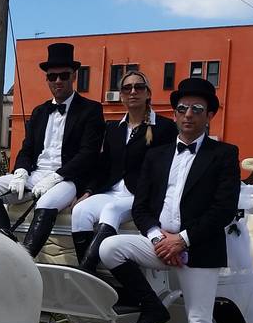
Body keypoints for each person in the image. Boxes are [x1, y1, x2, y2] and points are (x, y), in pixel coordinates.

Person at [99, 77, 240, 323]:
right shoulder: (157, 154)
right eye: (181, 108)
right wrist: (159, 239)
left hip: (200, 250)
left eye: (197, 109)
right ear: (173, 113)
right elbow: (142, 206)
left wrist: (184, 239)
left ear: (210, 114)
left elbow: (222, 210)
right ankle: (152, 308)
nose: (188, 115)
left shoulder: (223, 155)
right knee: (110, 248)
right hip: (160, 243)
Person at [0, 42, 105, 256]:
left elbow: (88, 154)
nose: (58, 81)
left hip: (67, 179)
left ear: (74, 76)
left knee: (46, 202)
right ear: (46, 78)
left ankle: (26, 256)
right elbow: (27, 149)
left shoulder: (91, 110)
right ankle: (8, 244)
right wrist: (20, 172)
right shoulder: (39, 112)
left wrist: (56, 177)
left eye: (63, 76)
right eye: (52, 76)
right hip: (36, 175)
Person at [71, 70, 177, 272]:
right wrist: (88, 192)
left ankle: (84, 271)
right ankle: (92, 273)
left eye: (139, 87)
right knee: (80, 211)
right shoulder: (113, 128)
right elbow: (104, 166)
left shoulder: (165, 128)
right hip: (113, 190)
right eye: (127, 88)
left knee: (111, 211)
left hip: (141, 195)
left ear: (148, 93)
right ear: (121, 95)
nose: (133, 92)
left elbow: (168, 169)